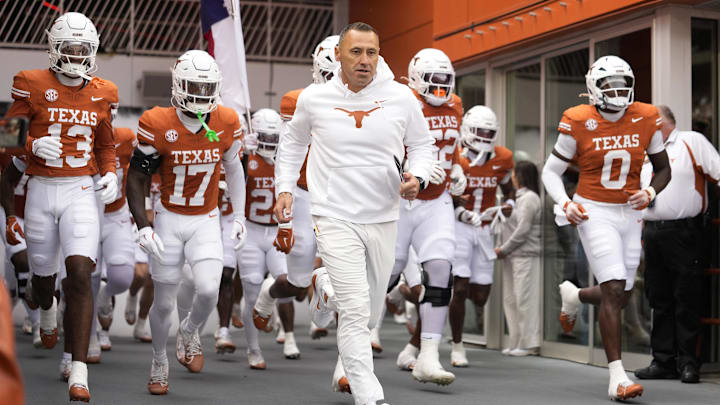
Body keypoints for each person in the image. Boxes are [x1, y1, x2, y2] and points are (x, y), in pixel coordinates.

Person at [274, 22, 433, 405]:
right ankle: (368, 393)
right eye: (356, 52)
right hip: (333, 213)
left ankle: (323, 291)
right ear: (339, 55)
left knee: (369, 312)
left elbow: (424, 146)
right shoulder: (314, 98)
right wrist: (284, 189)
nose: (364, 60)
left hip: (383, 215)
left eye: (371, 52)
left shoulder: (401, 97)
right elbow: (293, 143)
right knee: (357, 306)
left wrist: (420, 177)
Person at [2, 12, 119, 401]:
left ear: (93, 50)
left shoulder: (104, 91)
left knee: (81, 271)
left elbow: (104, 144)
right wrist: (31, 145)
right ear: (53, 48)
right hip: (41, 188)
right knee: (42, 278)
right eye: (68, 48)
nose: (75, 55)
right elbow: (8, 136)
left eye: (82, 49)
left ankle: (79, 370)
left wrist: (110, 171)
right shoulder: (30, 82)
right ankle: (47, 310)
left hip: (80, 190)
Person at [541, 55, 671, 401]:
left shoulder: (645, 116)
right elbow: (550, 172)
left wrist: (650, 191)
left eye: (622, 84)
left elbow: (663, 168)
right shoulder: (579, 119)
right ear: (593, 89)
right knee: (613, 288)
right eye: (609, 85)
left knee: (623, 293)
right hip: (594, 210)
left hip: (630, 212)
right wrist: (566, 203)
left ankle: (575, 296)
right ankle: (617, 377)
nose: (617, 91)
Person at [125, 49, 247, 395]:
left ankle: (190, 330)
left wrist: (238, 215)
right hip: (168, 218)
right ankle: (159, 360)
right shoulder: (157, 122)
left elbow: (235, 169)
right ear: (178, 84)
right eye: (194, 85)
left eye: (207, 87)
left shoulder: (224, 120)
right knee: (163, 302)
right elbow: (136, 177)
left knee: (209, 289)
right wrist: (143, 224)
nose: (201, 94)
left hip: (205, 218)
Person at [376, 48, 466, 383]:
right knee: (384, 275)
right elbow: (384, 149)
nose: (441, 88)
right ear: (415, 79)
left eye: (446, 81)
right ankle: (351, 345)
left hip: (437, 202)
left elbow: (452, 147)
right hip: (400, 200)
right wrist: (414, 174)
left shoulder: (455, 105)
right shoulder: (401, 102)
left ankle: (428, 356)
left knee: (441, 270)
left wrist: (457, 169)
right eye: (434, 81)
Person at [252, 34, 340, 345]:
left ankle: (348, 369)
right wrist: (285, 206)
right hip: (304, 194)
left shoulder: (369, 102)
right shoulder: (298, 101)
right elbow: (288, 154)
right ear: (319, 70)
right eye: (333, 75)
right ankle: (268, 293)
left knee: (347, 277)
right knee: (296, 284)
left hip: (343, 198)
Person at [635, 105, 720, 383]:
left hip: (684, 232)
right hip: (652, 232)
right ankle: (663, 360)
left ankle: (688, 363)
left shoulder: (690, 141)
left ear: (659, 122)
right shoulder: (645, 153)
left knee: (687, 297)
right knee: (658, 298)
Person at [447, 105, 514, 367]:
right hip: (460, 227)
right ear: (467, 131)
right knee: (460, 288)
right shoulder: (458, 159)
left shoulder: (503, 158)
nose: (485, 136)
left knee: (481, 296)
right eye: (480, 131)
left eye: (489, 132)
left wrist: (509, 205)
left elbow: (509, 190)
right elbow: (445, 196)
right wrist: (461, 212)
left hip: (485, 229)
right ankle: (457, 345)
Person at [238, 108, 300, 369]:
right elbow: (234, 182)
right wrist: (241, 155)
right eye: (266, 137)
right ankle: (253, 349)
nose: (271, 143)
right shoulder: (246, 159)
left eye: (275, 138)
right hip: (251, 231)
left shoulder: (286, 161)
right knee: (251, 290)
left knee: (288, 284)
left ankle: (289, 336)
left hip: (276, 230)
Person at [496, 160, 541, 356]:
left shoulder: (529, 198)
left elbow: (523, 230)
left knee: (525, 300)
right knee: (511, 299)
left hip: (525, 255)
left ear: (521, 176)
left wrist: (504, 248)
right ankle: (515, 340)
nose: (512, 178)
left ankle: (529, 344)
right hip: (513, 256)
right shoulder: (519, 198)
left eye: (514, 174)